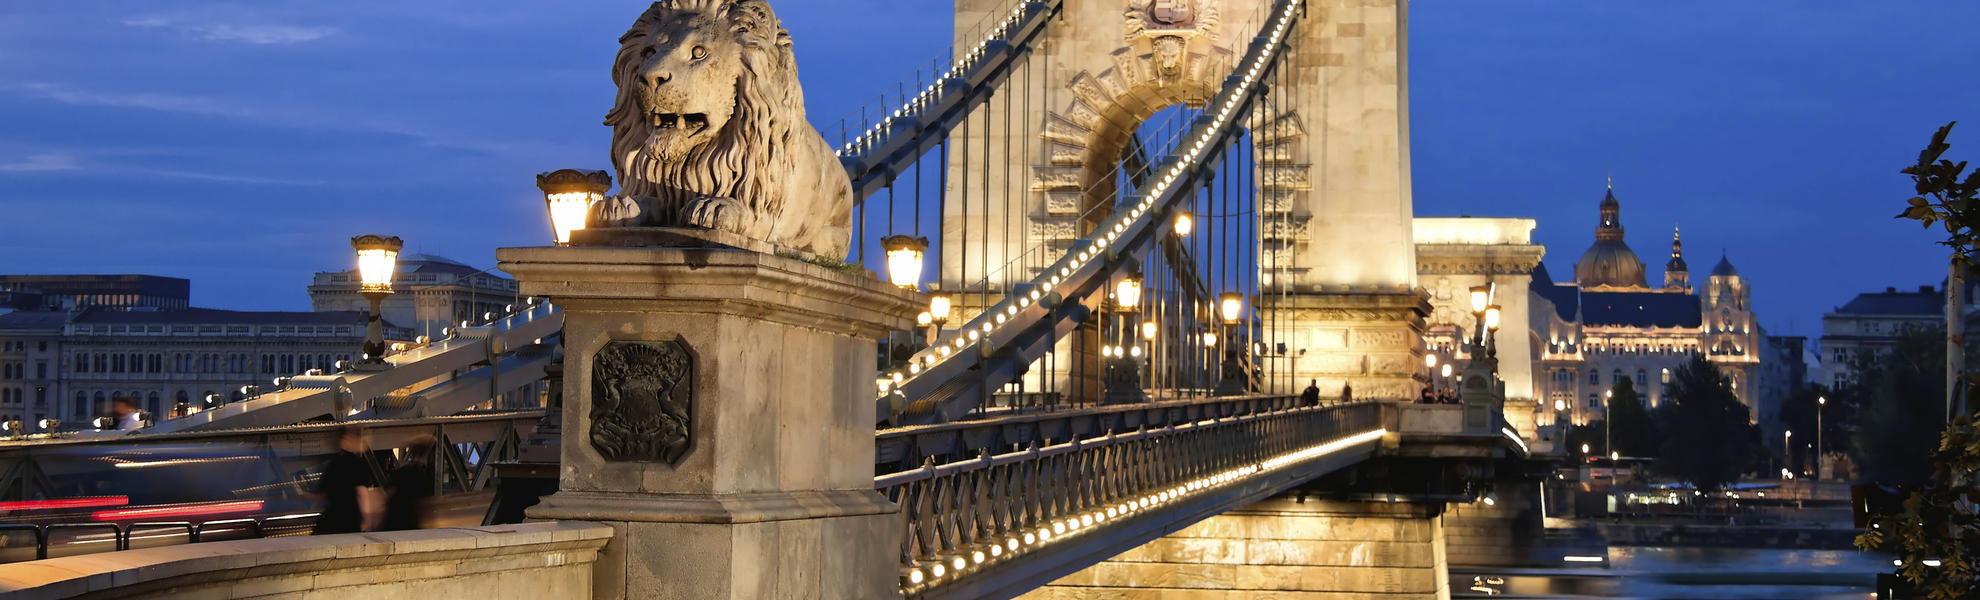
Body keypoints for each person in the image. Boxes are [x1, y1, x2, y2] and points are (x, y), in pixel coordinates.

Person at [311, 426, 381, 535]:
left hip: (331, 520)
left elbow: (323, 496)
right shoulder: (358, 464)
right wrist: (369, 523)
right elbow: (361, 495)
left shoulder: (333, 465)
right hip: (350, 521)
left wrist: (301, 498)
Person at [382, 435, 438, 531]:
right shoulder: (423, 474)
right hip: (410, 523)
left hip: (394, 522)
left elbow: (388, 494)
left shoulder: (403, 472)